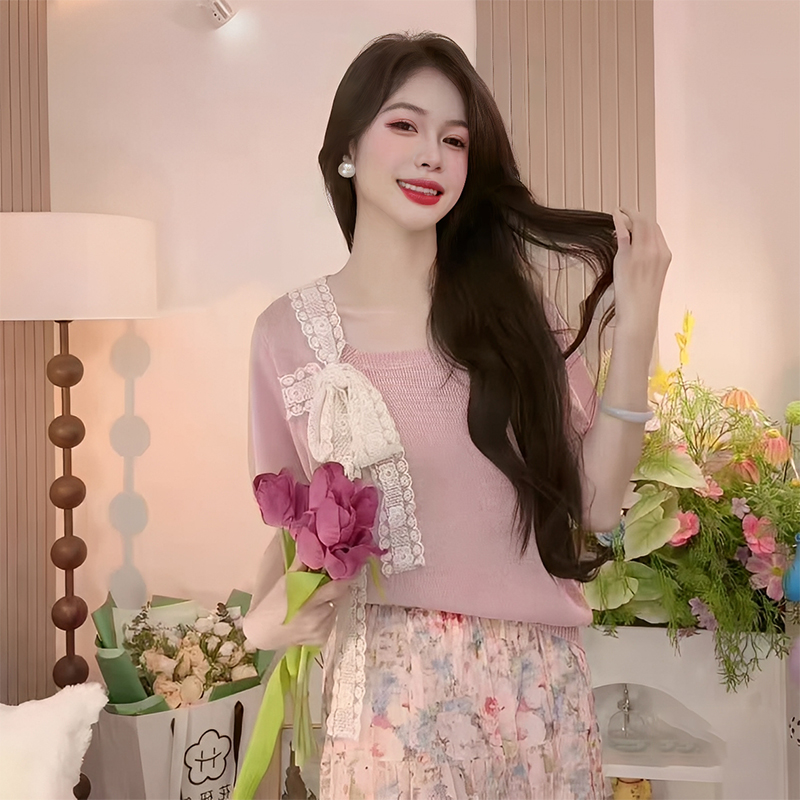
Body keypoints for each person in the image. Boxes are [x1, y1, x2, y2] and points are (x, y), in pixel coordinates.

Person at [243, 31, 671, 800]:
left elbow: (599, 504)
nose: (431, 155)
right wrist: (256, 626)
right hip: (386, 705)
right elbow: (287, 533)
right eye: (405, 125)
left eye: (454, 139)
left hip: (537, 694)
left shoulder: (516, 319)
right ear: (349, 147)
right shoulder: (287, 335)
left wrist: (636, 326)